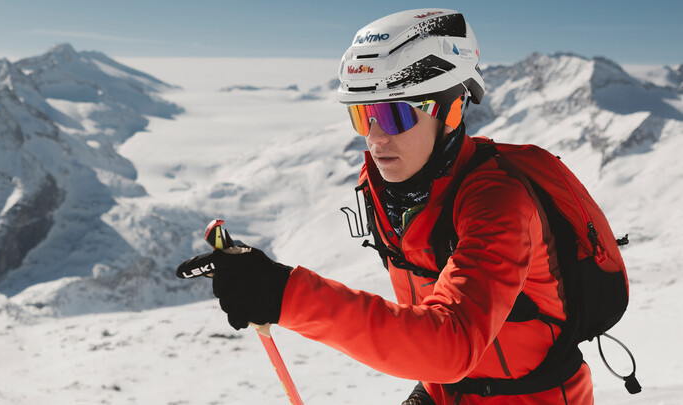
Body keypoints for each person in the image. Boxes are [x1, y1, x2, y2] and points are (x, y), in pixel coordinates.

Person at [180, 9, 595, 404]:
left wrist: (283, 294)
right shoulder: (387, 189)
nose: (376, 138)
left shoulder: (499, 202)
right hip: (449, 391)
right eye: (363, 116)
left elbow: (452, 344)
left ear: (450, 110)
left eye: (395, 115)